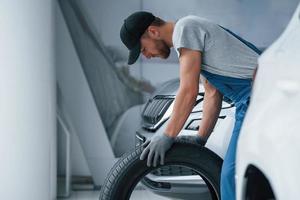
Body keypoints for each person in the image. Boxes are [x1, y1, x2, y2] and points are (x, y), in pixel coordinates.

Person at [120, 11, 260, 200]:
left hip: (259, 96)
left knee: (231, 176)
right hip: (251, 101)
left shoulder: (186, 28)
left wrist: (167, 135)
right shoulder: (189, 39)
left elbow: (188, 91)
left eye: (142, 49)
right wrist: (200, 139)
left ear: (153, 32)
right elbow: (212, 93)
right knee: (237, 174)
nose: (146, 56)